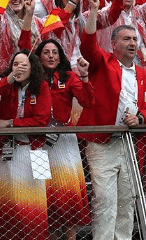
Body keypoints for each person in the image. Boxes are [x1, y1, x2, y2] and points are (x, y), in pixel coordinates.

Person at [78, 0, 146, 240]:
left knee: (128, 197)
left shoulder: (145, 74)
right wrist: (93, 12)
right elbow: (87, 45)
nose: (133, 43)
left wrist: (141, 118)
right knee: (104, 197)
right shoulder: (103, 62)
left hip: (131, 145)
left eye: (135, 39)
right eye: (126, 39)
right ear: (113, 45)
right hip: (103, 142)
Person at [35, 40, 93, 239]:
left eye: (55, 52)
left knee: (67, 197)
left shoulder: (69, 77)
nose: (51, 56)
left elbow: (87, 101)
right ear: (38, 56)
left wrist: (84, 76)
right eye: (46, 52)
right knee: (42, 194)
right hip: (38, 144)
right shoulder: (32, 79)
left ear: (60, 56)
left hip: (65, 142)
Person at [0, 50, 52, 240]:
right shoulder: (8, 86)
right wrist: (10, 77)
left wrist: (11, 123)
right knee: (6, 201)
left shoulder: (42, 86)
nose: (20, 67)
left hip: (37, 150)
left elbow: (42, 121)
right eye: (15, 64)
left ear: (33, 67)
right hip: (7, 148)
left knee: (38, 203)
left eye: (24, 64)